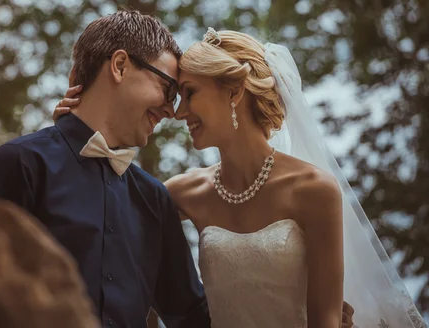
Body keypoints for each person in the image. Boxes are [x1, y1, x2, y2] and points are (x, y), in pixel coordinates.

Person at [53, 26, 425, 327]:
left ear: (233, 92)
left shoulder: (315, 191)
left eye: (189, 93)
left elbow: (325, 320)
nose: (177, 113)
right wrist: (76, 131)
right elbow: (123, 251)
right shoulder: (179, 193)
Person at [0, 11, 210, 328]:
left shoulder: (154, 198)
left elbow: (192, 316)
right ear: (120, 66)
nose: (170, 110)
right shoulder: (16, 166)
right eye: (169, 90)